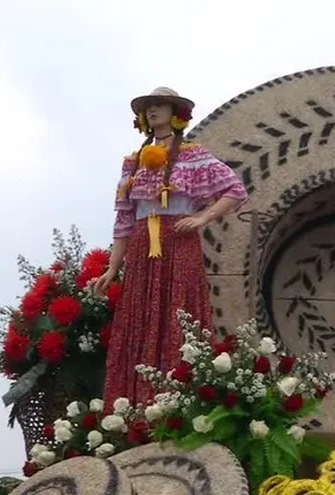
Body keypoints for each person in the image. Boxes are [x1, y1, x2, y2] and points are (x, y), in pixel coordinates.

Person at [93, 87, 249, 407]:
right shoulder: (132, 162)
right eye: (149, 107)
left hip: (179, 240)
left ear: (173, 113)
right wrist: (112, 267)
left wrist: (203, 217)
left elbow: (234, 190)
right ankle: (136, 403)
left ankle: (179, 400)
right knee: (139, 315)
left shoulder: (193, 154)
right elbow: (123, 218)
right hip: (141, 244)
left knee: (179, 313)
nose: (153, 112)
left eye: (160, 106)